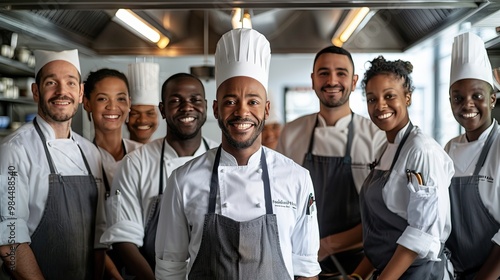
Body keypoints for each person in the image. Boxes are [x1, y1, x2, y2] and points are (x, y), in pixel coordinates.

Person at [155, 28, 321, 280]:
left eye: (253, 102)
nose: (242, 112)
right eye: (230, 101)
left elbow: (306, 270)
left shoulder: (297, 178)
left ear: (266, 109)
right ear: (216, 109)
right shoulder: (183, 180)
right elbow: (170, 270)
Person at [276, 45, 386, 279]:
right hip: (299, 263)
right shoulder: (292, 132)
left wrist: (326, 245)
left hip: (359, 264)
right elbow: (280, 201)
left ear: (354, 81)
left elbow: (383, 215)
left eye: (341, 73)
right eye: (324, 73)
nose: (332, 80)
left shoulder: (376, 137)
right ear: (313, 79)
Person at [0, 49, 106, 279]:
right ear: (36, 92)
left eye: (70, 83)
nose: (61, 92)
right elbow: (10, 241)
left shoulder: (90, 152)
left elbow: (99, 236)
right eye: (51, 82)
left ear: (80, 93)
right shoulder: (14, 151)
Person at [101, 72, 218, 279]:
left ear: (206, 107)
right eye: (175, 101)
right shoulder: (136, 163)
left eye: (195, 100)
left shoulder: (222, 159)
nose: (187, 107)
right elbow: (123, 238)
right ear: (163, 110)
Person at [360, 55, 453, 279]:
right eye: (372, 99)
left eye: (389, 96)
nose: (380, 105)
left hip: (418, 274)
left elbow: (421, 232)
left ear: (407, 97)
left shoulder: (421, 150)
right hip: (390, 271)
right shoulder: (387, 147)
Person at [445, 32, 500, 279]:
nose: (467, 104)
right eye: (458, 98)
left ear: (492, 99)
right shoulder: (448, 149)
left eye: (477, 96)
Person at [82, 68, 143, 280]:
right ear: (86, 103)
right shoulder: (77, 158)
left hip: (143, 262)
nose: (112, 107)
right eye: (102, 98)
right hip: (95, 264)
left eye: (120, 98)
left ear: (129, 104)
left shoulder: (142, 154)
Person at [126, 62, 161, 144]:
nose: (142, 120)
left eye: (150, 113)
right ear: (125, 117)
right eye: (134, 113)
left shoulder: (164, 154)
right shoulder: (115, 155)